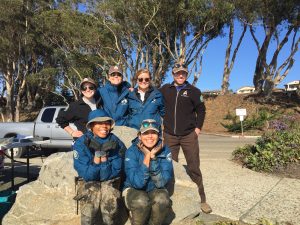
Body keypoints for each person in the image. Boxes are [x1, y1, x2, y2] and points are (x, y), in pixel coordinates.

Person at [160, 63, 212, 214]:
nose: (180, 76)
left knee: (194, 167)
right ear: (173, 74)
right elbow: (152, 96)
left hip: (189, 135)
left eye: (183, 73)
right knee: (169, 166)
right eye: (177, 73)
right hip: (169, 134)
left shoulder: (194, 91)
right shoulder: (165, 89)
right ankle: (172, 198)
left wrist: (197, 128)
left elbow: (201, 110)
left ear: (187, 74)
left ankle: (202, 200)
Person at [73, 109, 127, 225]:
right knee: (89, 205)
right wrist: (97, 157)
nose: (104, 126)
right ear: (91, 126)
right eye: (99, 123)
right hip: (89, 181)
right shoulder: (81, 143)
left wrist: (105, 158)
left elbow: (115, 171)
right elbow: (87, 174)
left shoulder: (116, 143)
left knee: (109, 207)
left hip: (110, 181)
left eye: (107, 123)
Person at [123, 119, 173, 225]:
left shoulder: (165, 151)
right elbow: (138, 183)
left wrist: (153, 158)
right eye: (146, 133)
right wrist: (147, 157)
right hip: (133, 189)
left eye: (153, 133)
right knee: (141, 201)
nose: (150, 136)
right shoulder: (131, 151)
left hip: (155, 188)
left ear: (158, 135)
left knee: (162, 200)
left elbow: (161, 184)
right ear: (139, 136)